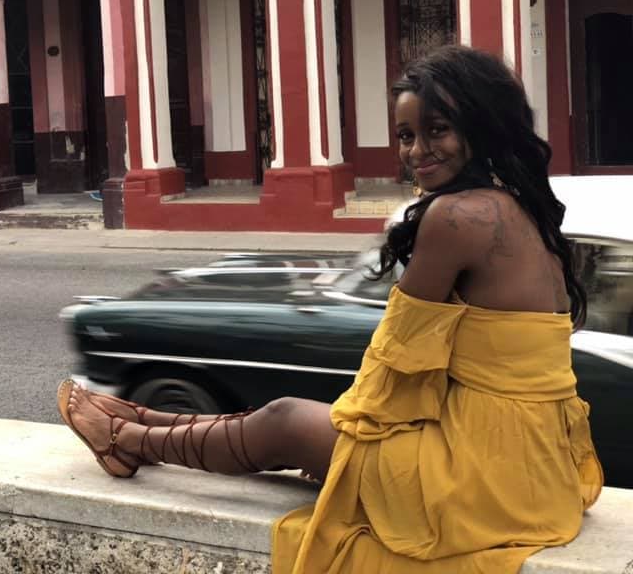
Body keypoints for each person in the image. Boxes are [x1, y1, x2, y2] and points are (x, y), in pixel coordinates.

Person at [57, 45, 603, 573]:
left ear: (482, 125)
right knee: (308, 423)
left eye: (437, 130)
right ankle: (146, 419)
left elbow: (394, 355)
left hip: (484, 477)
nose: (417, 151)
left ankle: (126, 441)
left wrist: (347, 440)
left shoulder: (460, 217)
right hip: (538, 466)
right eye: (406, 135)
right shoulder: (519, 206)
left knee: (288, 420)